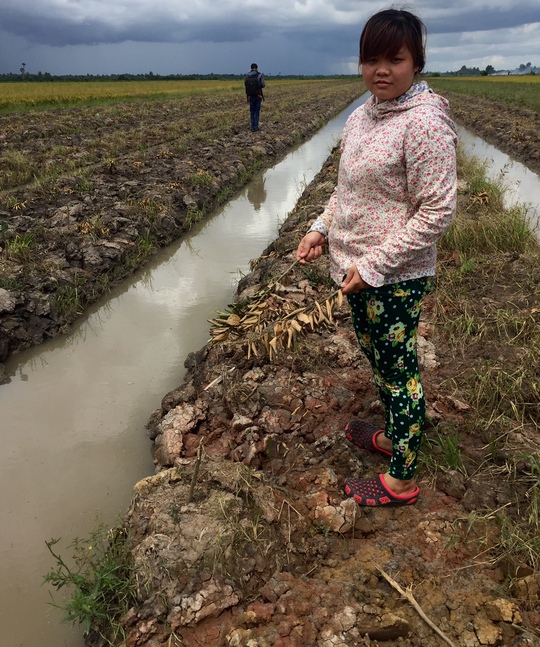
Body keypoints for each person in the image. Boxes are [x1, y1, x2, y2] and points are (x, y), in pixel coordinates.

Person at [295, 8, 457, 506]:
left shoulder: (424, 123)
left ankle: (402, 478)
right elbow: (346, 190)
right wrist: (321, 228)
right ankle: (392, 435)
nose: (380, 69)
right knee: (377, 357)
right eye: (371, 58)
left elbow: (437, 212)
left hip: (392, 276)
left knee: (397, 368)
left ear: (417, 62)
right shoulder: (363, 114)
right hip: (355, 269)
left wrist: (374, 266)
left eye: (395, 58)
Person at [244, 63, 265, 132]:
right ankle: (256, 126)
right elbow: (263, 85)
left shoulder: (247, 75)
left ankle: (252, 126)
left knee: (252, 112)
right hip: (258, 95)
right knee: (257, 112)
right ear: (257, 68)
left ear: (250, 68)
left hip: (250, 96)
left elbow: (245, 84)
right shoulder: (260, 75)